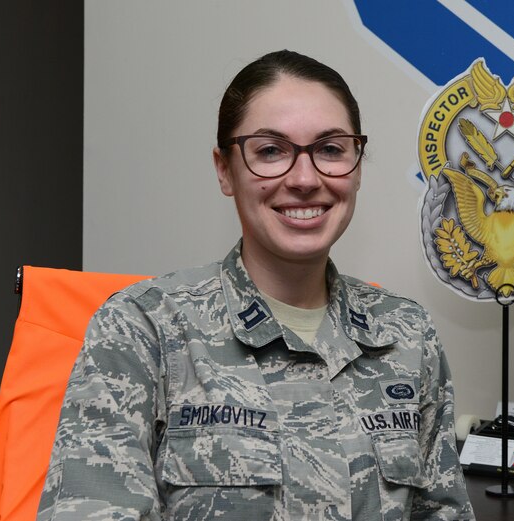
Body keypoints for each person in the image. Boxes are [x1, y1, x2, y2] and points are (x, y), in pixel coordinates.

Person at [37, 50, 474, 520]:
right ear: (225, 170)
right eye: (270, 151)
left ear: (357, 166)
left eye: (330, 149)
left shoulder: (406, 333)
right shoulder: (142, 330)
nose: (305, 179)